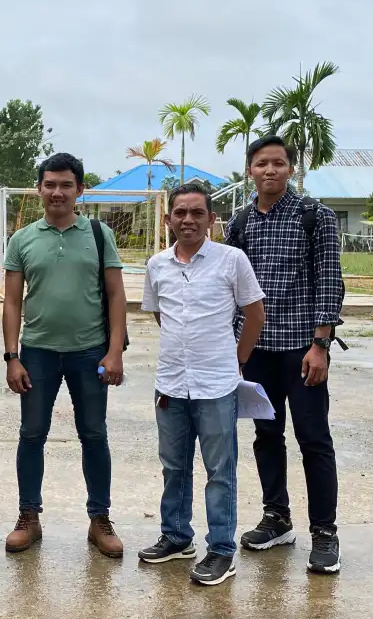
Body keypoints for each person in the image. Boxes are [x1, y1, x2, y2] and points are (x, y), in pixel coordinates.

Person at [226, 135, 344, 574]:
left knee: (314, 439)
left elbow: (330, 280)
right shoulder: (239, 223)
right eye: (261, 164)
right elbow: (233, 288)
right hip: (256, 350)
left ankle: (325, 533)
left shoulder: (316, 216)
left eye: (278, 163)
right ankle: (277, 517)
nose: (270, 170)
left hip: (302, 349)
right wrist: (234, 350)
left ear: (290, 169)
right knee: (266, 437)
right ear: (250, 171)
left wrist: (321, 344)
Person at [138, 182, 266, 586]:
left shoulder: (232, 260)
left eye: (197, 213)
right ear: (168, 219)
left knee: (219, 471)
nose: (188, 220)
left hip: (217, 385)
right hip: (171, 385)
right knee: (173, 466)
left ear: (212, 219)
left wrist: (237, 360)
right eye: (180, 213)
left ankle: (222, 550)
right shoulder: (157, 265)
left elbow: (254, 314)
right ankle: (177, 537)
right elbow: (162, 316)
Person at [2, 153, 127, 557]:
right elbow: (12, 304)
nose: (57, 192)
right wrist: (11, 356)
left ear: (79, 190)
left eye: (66, 185)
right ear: (39, 188)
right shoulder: (22, 239)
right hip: (37, 352)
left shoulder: (98, 233)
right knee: (31, 435)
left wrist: (114, 351)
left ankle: (100, 519)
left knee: (94, 434)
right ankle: (28, 517)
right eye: (50, 184)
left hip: (89, 353)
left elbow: (115, 294)